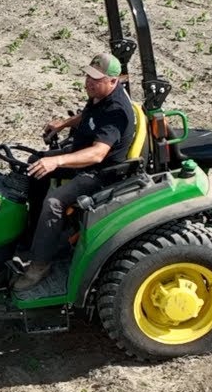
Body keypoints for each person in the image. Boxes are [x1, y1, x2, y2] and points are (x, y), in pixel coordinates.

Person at [14, 52, 136, 293]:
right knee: (34, 165)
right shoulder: (100, 96)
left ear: (114, 81)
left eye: (97, 79)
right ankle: (31, 234)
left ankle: (40, 264)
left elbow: (97, 154)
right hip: (83, 155)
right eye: (88, 76)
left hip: (100, 173)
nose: (89, 83)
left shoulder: (117, 111)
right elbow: (89, 118)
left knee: (55, 202)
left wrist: (58, 160)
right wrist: (64, 123)